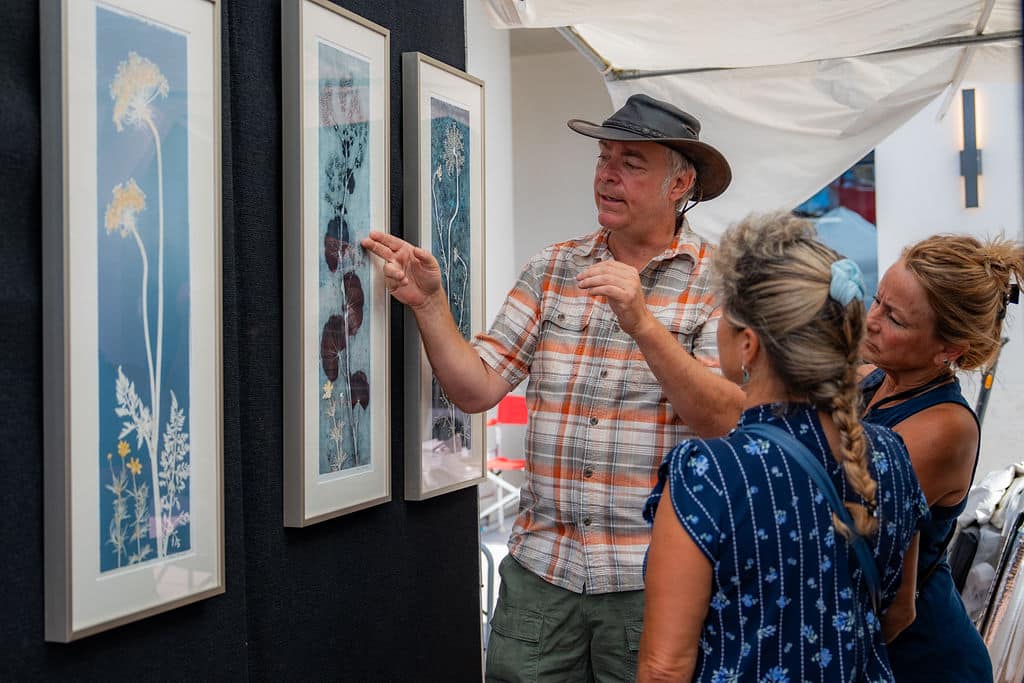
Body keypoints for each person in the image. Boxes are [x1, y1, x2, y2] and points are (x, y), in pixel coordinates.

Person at [362, 94, 745, 681]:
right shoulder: (553, 268)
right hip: (540, 576)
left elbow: (723, 420)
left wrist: (644, 324)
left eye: (630, 163)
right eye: (603, 157)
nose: (607, 174)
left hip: (653, 581)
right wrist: (431, 304)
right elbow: (476, 389)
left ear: (680, 184)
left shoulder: (718, 283)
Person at [638, 211, 929, 682]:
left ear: (748, 345)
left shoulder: (708, 474)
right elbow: (899, 615)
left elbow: (664, 668)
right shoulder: (892, 455)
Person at [860, 233, 1024, 681]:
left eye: (894, 318)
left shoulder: (945, 428)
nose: (871, 321)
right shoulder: (874, 380)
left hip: (924, 660)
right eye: (876, 301)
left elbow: (840, 509)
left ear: (948, 350)